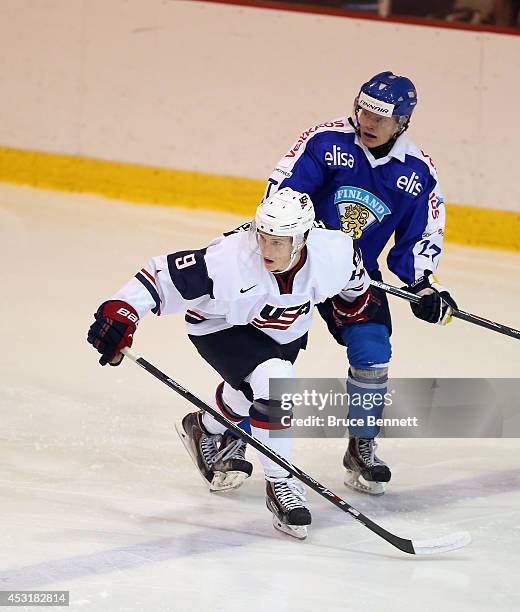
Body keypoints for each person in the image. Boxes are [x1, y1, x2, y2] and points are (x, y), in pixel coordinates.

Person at [87, 187, 377, 539]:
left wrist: (355, 312)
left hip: (284, 331)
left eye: (278, 242)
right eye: (263, 237)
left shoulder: (336, 252)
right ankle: (281, 485)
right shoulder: (227, 259)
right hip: (220, 326)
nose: (266, 249)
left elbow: (355, 287)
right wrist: (122, 311)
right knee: (275, 380)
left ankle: (204, 426)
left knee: (257, 392)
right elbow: (159, 277)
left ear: (301, 240)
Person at [264, 71, 458, 495]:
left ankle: (361, 445)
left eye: (381, 117)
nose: (367, 122)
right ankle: (221, 435)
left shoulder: (417, 173)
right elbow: (281, 194)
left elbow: (419, 237)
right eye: (363, 111)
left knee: (372, 350)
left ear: (403, 122)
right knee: (267, 357)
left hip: (355, 275)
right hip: (296, 264)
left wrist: (423, 284)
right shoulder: (325, 141)